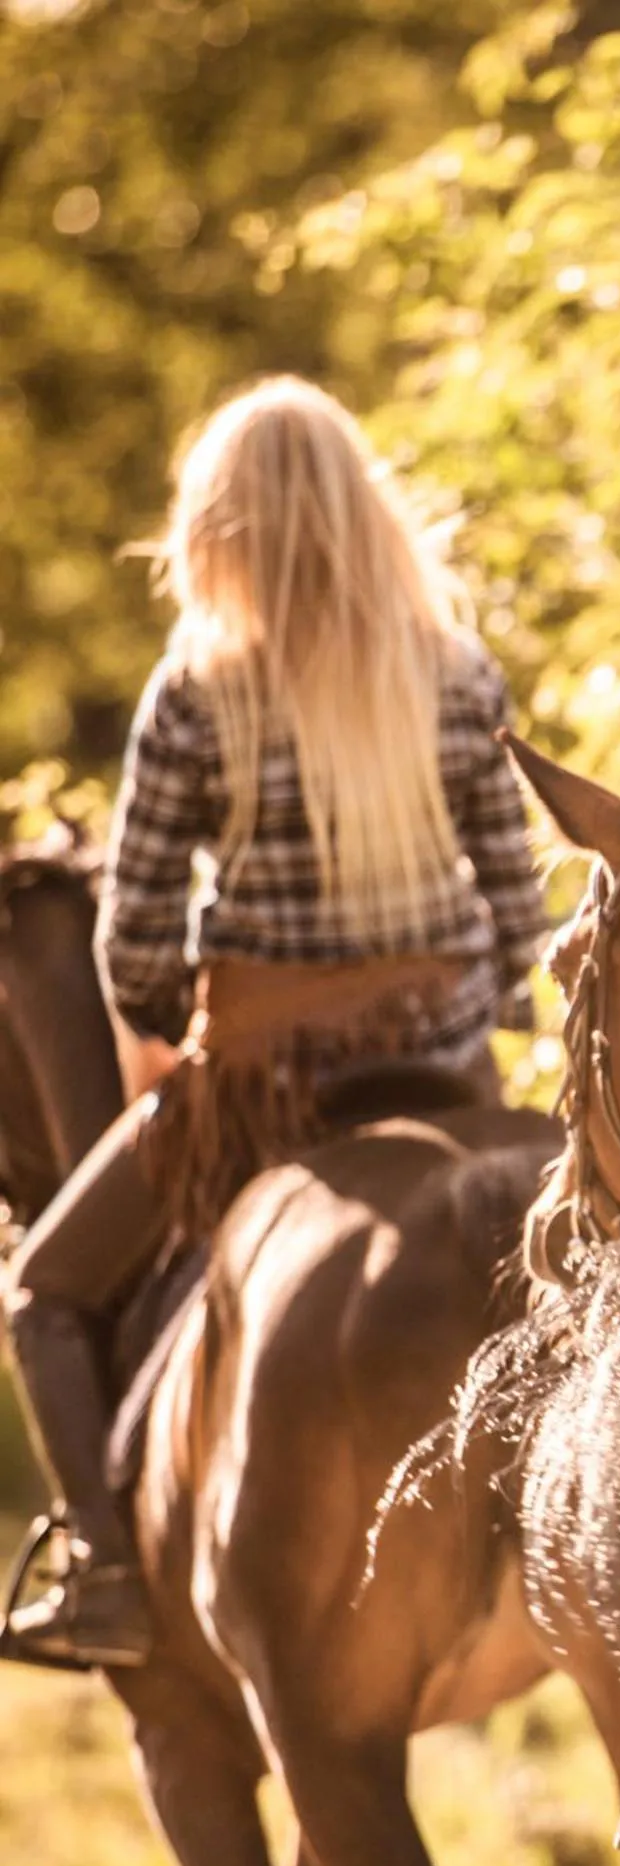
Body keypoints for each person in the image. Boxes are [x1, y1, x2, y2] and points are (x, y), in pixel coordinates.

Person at [3, 376, 546, 1669]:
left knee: (40, 1296)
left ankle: (107, 1570)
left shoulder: (201, 692)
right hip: (454, 1079)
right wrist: (455, 1002)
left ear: (219, 530)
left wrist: (188, 1006)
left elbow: (129, 943)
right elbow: (522, 918)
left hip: (264, 1096)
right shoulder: (457, 676)